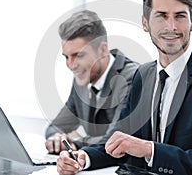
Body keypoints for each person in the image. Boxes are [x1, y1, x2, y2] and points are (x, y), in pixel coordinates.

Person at [56, 0, 192, 175]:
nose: (171, 26)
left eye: (180, 16)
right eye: (161, 16)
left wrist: (149, 150)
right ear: (145, 23)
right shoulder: (143, 75)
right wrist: (84, 158)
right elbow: (121, 141)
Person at [45, 10, 139, 154]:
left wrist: (75, 142)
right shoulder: (81, 78)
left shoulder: (132, 77)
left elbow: (115, 139)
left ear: (102, 50)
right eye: (66, 57)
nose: (71, 65)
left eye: (78, 55)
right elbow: (55, 127)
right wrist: (58, 139)